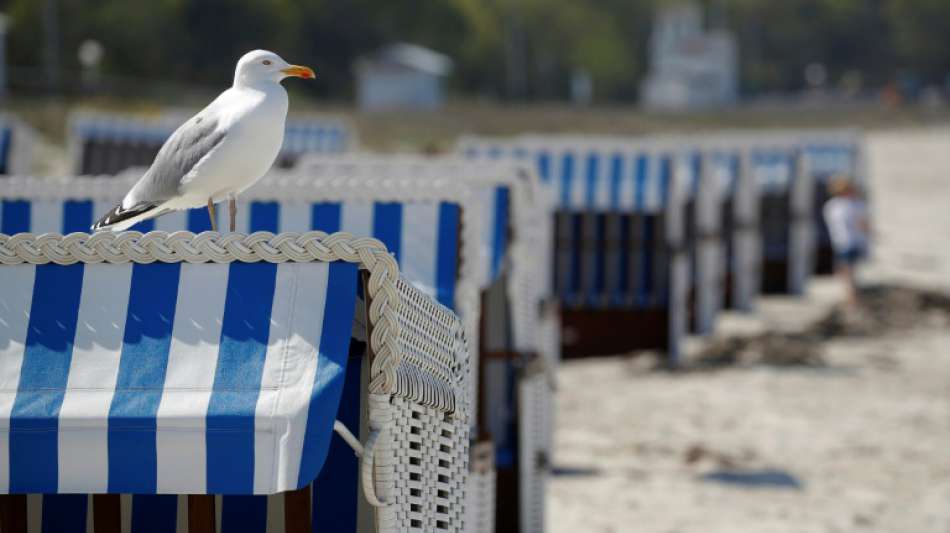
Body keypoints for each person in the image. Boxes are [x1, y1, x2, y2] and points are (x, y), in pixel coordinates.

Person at [822, 176, 870, 307]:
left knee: (846, 270)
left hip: (844, 242)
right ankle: (851, 297)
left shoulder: (833, 205)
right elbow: (862, 224)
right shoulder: (851, 205)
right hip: (850, 241)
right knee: (848, 271)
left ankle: (850, 297)